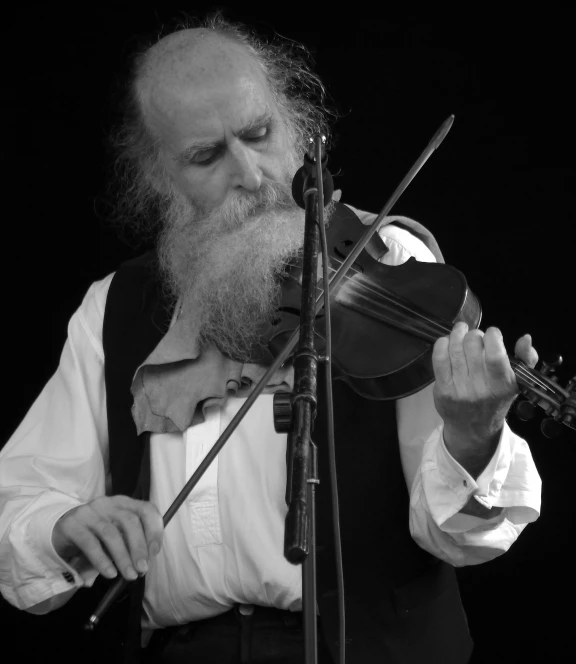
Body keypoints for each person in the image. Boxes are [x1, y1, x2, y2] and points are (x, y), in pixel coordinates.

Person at [0, 14, 542, 664]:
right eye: (206, 156)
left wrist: (474, 438)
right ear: (160, 178)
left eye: (259, 133)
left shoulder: (390, 263)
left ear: (296, 122)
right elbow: (19, 505)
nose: (252, 173)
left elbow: (458, 537)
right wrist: (62, 528)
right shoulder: (114, 308)